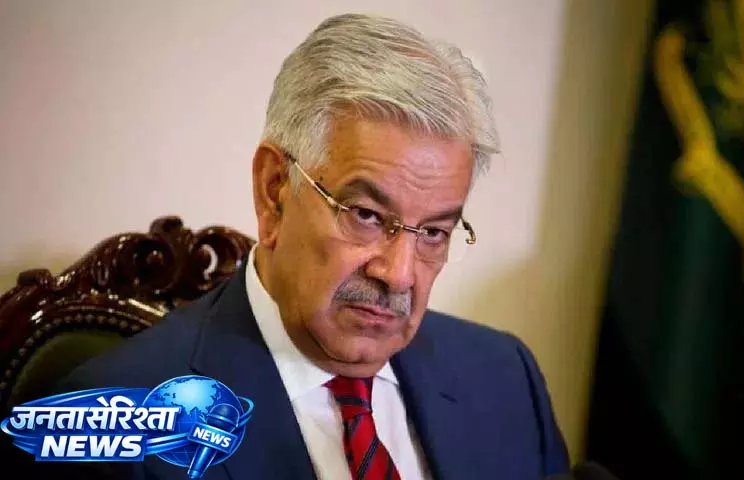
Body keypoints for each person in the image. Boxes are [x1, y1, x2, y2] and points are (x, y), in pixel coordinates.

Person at [14, 13, 569, 479]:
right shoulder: (114, 433)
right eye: (367, 215)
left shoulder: (506, 378)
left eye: (433, 233)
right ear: (275, 190)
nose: (399, 274)